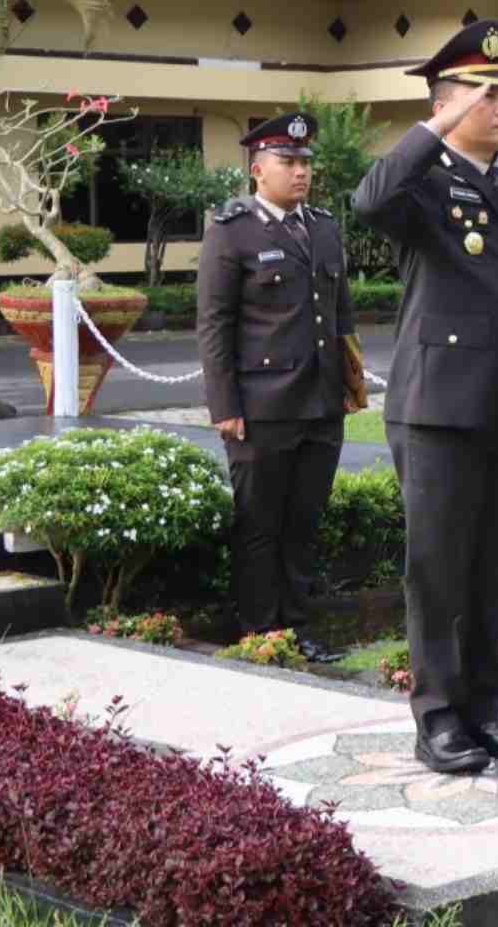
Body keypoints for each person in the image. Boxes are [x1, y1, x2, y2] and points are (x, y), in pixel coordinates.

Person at [353, 19, 498, 775]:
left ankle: (486, 709)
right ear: (447, 105)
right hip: (439, 406)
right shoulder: (424, 182)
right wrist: (433, 126)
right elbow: (371, 200)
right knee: (440, 569)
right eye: (487, 93)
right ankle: (439, 719)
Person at [197, 112, 365, 664]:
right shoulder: (231, 230)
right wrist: (225, 405)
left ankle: (296, 630)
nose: (300, 173)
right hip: (261, 407)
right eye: (288, 163)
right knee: (259, 525)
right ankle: (256, 632)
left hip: (320, 403)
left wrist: (347, 383)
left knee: (303, 525)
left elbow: (340, 314)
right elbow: (215, 324)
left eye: (305, 164)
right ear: (257, 169)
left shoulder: (322, 226)